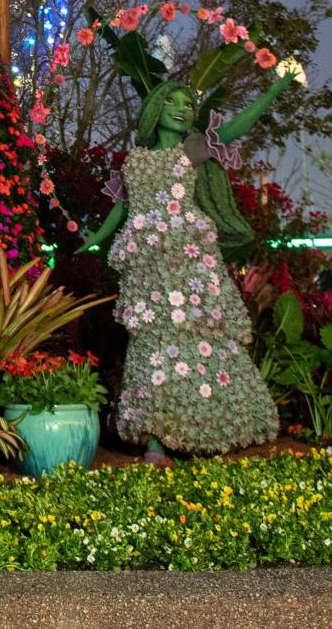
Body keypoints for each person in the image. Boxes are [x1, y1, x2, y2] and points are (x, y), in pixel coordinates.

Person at [82, 65, 301, 460]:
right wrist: (95, 239)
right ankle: (155, 435)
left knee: (200, 341)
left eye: (189, 103)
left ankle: (208, 431)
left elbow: (236, 127)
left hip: (189, 261)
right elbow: (121, 208)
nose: (183, 109)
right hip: (147, 261)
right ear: (155, 107)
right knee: (152, 341)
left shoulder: (193, 149)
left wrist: (276, 88)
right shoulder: (134, 160)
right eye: (174, 101)